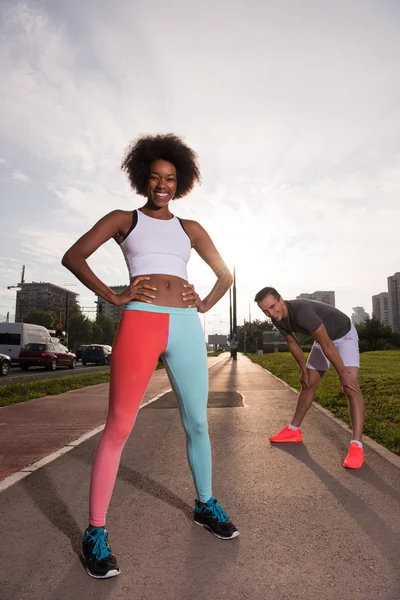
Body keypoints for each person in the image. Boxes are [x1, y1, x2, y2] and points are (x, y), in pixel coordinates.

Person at [62, 134, 239, 579]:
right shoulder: (124, 219)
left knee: (197, 420)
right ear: (144, 179)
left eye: (171, 179)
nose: (163, 185)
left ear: (180, 184)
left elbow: (225, 272)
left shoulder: (190, 228)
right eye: (156, 178)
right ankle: (95, 533)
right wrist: (113, 295)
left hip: (184, 325)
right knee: (120, 425)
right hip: (140, 320)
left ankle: (205, 504)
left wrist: (205, 304)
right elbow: (74, 256)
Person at [254, 287, 365, 470]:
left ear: (281, 300)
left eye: (273, 307)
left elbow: (328, 344)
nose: (271, 314)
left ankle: (357, 446)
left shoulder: (302, 313)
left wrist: (343, 373)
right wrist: (303, 370)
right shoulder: (278, 319)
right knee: (308, 384)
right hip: (323, 341)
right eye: (266, 311)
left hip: (343, 336)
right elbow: (293, 343)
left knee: (350, 387)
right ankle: (293, 431)